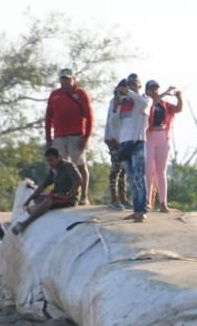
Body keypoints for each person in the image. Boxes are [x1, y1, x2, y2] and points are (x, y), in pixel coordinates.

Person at [44, 68, 94, 206]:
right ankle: (64, 194)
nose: (65, 81)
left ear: (73, 79)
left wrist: (86, 137)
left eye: (67, 79)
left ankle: (83, 195)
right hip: (59, 136)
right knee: (61, 166)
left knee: (80, 165)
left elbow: (89, 117)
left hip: (76, 135)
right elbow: (48, 117)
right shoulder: (55, 95)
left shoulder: (81, 94)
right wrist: (48, 138)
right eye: (62, 79)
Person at [12, 147, 81, 235]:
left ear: (59, 157)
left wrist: (69, 194)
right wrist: (28, 200)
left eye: (51, 160)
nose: (49, 163)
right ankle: (36, 209)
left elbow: (78, 181)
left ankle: (24, 224)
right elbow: (43, 186)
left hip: (68, 198)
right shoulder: (53, 169)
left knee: (48, 201)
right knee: (39, 198)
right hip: (56, 195)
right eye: (47, 161)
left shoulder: (68, 166)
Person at [115, 74, 151, 222]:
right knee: (131, 179)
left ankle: (141, 211)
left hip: (138, 142)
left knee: (138, 178)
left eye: (134, 84)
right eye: (129, 84)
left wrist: (129, 92)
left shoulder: (144, 99)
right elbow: (114, 122)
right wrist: (116, 103)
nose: (131, 86)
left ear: (139, 86)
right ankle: (136, 209)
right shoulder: (123, 102)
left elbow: (144, 105)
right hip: (124, 143)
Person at [145, 81, 184, 212]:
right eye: (152, 89)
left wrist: (179, 97)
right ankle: (147, 201)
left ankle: (163, 202)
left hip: (162, 136)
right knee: (148, 170)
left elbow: (178, 109)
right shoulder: (145, 102)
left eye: (156, 89)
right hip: (149, 136)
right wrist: (165, 93)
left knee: (160, 171)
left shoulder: (164, 105)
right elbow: (150, 106)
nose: (155, 91)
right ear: (147, 91)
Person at [103, 80, 130, 209]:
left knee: (123, 169)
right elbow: (114, 122)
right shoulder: (115, 101)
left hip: (123, 139)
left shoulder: (127, 101)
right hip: (114, 139)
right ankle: (114, 199)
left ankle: (123, 197)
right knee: (116, 168)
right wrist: (116, 140)